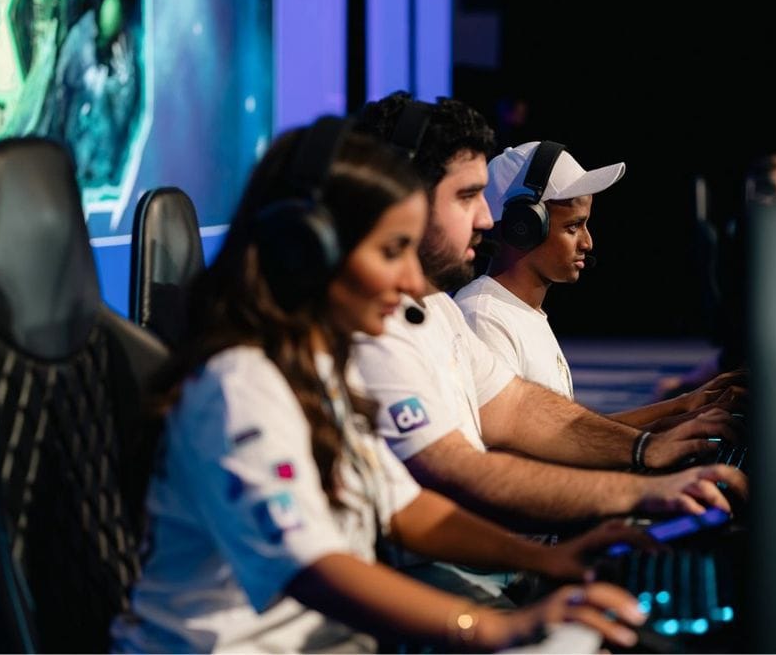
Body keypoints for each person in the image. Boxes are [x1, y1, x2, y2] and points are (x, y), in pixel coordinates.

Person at [110, 119, 654, 653]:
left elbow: (406, 509)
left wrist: (546, 559)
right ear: (310, 250)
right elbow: (313, 567)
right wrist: (493, 628)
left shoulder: (322, 370)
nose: (413, 281)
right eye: (393, 252)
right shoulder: (240, 386)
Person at [351, 92, 746, 533]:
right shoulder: (436, 319)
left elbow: (522, 411)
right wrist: (638, 487)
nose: (486, 219)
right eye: (466, 197)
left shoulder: (439, 310)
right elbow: (464, 471)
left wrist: (653, 441)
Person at [454, 141, 745, 429]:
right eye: (573, 227)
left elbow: (566, 434)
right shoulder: (483, 317)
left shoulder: (520, 313)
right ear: (522, 228)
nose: (588, 242)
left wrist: (684, 409)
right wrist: (667, 428)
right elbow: (533, 446)